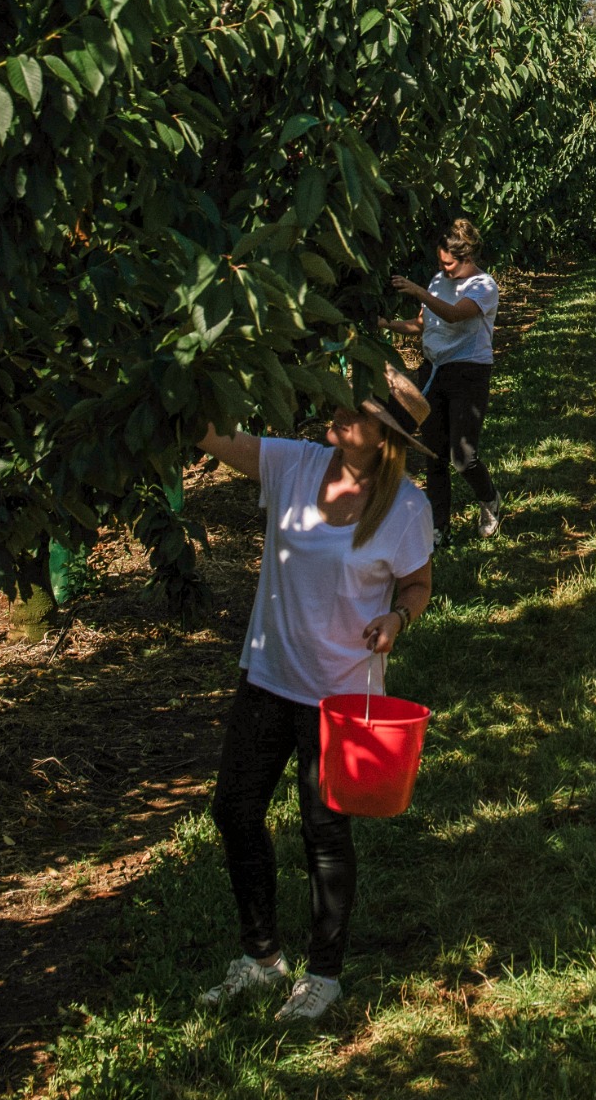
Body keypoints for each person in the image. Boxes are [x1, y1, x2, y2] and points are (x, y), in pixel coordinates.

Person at [193, 364, 436, 1025]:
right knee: (234, 809)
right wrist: (178, 385)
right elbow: (214, 436)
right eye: (341, 402)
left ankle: (323, 974)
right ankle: (261, 957)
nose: (339, 414)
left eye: (356, 412)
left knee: (323, 831)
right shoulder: (293, 464)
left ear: (384, 438)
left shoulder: (406, 507)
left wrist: (398, 618)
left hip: (339, 694)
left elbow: (417, 584)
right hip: (269, 674)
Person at [391, 217, 501, 541]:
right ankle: (439, 526)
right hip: (433, 370)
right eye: (440, 263)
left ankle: (489, 499)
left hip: (468, 372)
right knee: (434, 453)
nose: (444, 269)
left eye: (449, 264)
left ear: (467, 258)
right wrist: (386, 324)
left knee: (462, 456)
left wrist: (417, 290)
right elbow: (422, 324)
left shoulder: (483, 287)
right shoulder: (439, 281)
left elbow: (453, 315)